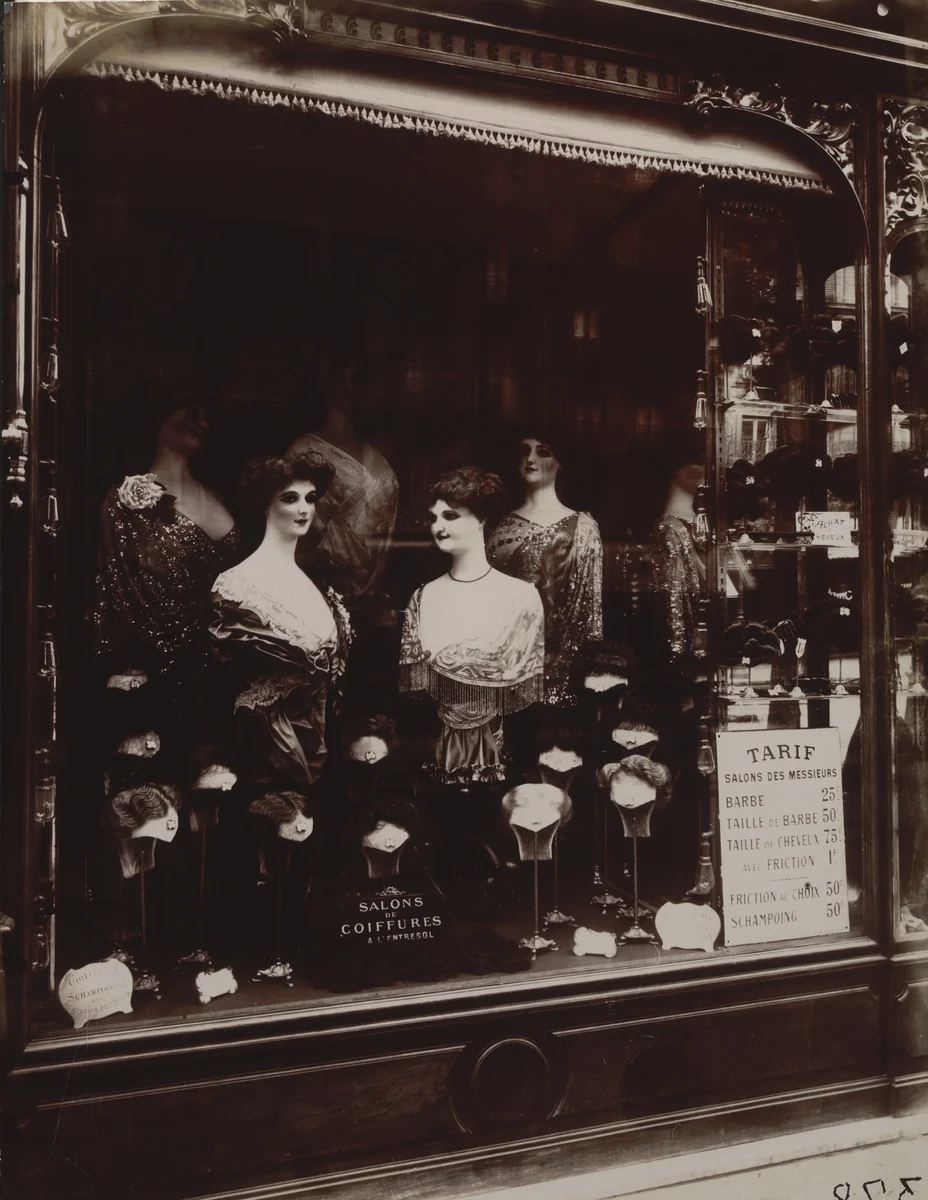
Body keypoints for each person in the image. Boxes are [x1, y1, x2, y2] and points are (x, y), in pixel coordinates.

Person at [210, 453, 352, 797]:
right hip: (268, 754)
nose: (303, 508)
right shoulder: (236, 586)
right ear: (264, 503)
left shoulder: (317, 582)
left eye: (310, 498)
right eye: (290, 499)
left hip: (323, 752)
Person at [400, 467, 544, 784]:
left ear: (481, 519)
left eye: (450, 516)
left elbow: (528, 701)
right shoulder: (423, 599)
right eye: (434, 518)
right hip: (438, 762)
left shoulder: (521, 597)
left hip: (505, 761)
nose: (438, 526)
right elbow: (414, 700)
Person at [487, 432, 602, 705]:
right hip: (504, 669)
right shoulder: (497, 528)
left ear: (560, 462)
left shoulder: (581, 527)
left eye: (543, 452)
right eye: (524, 451)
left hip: (562, 673)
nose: (530, 459)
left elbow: (589, 612)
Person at [288, 364, 399, 603]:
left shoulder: (375, 453)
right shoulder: (307, 450)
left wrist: (381, 567)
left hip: (374, 590)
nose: (348, 388)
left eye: (356, 380)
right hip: (322, 589)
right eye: (340, 379)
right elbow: (295, 533)